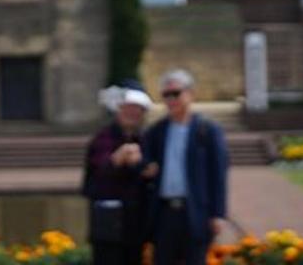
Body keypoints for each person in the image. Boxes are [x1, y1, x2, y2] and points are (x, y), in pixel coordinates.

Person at [140, 69, 229, 265]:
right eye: (166, 95)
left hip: (196, 212)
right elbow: (144, 161)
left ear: (190, 94)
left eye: (176, 94)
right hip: (164, 213)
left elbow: (218, 175)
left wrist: (218, 214)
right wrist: (145, 166)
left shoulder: (207, 130)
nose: (171, 100)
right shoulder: (157, 131)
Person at [82, 78, 154, 265]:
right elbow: (98, 174)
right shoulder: (103, 138)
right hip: (108, 228)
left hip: (135, 226)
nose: (132, 113)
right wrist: (117, 158)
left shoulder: (146, 139)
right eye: (127, 108)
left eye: (137, 109)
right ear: (118, 109)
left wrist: (146, 168)